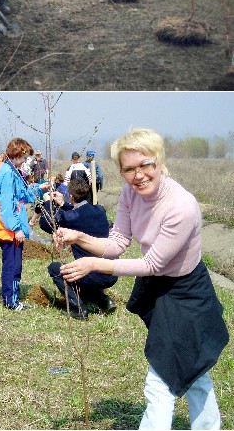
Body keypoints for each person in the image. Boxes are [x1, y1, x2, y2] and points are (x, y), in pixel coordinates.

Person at [55, 128, 229, 430]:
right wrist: (79, 237)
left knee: (160, 380)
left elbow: (151, 263)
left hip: (187, 291)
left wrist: (93, 264)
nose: (138, 175)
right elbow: (118, 242)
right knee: (195, 370)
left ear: (159, 161)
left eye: (145, 164)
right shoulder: (129, 194)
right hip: (159, 288)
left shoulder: (182, 206)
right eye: (129, 169)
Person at [39, 179, 117, 319]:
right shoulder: (100, 210)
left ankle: (78, 309)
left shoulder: (71, 217)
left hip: (92, 273)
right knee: (79, 277)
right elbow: (79, 213)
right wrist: (64, 204)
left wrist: (47, 202)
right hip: (111, 271)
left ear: (71, 196)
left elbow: (46, 224)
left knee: (55, 268)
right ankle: (105, 301)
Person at [0, 138, 36, 311]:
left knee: (13, 264)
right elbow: (7, 204)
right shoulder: (9, 173)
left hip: (9, 226)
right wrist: (16, 228)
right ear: (18, 155)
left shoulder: (11, 170)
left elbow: (22, 194)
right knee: (12, 265)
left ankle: (11, 298)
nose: (25, 161)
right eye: (24, 157)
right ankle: (11, 301)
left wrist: (39, 189)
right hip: (9, 228)